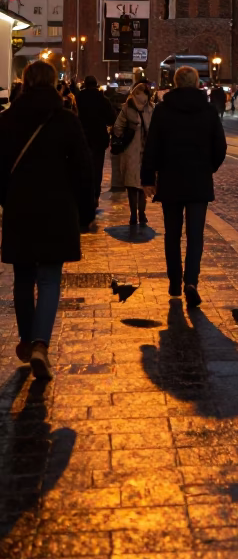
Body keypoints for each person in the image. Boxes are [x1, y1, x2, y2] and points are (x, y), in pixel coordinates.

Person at [0, 60, 94, 379]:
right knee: (50, 279)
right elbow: (84, 170)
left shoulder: (6, 120)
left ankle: (27, 340)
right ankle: (40, 344)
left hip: (19, 209)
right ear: (54, 83)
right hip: (57, 209)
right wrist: (86, 211)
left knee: (23, 279)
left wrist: (6, 200)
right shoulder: (66, 120)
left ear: (24, 83)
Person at [141, 65, 227, 307]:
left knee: (172, 234)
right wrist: (208, 167)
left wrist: (148, 178)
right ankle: (191, 281)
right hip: (198, 180)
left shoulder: (163, 110)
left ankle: (174, 280)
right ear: (197, 83)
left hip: (171, 180)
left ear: (175, 83)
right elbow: (220, 147)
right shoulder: (208, 111)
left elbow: (152, 147)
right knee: (195, 235)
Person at [113, 81, 154, 226]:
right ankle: (142, 214)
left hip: (130, 151)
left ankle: (133, 215)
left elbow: (117, 128)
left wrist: (127, 131)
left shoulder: (127, 108)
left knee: (131, 186)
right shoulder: (151, 108)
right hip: (147, 152)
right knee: (143, 184)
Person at [76, 75, 116, 208]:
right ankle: (95, 195)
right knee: (97, 168)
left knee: (83, 166)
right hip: (99, 138)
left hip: (83, 137)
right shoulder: (103, 100)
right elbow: (111, 119)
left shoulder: (79, 98)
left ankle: (84, 195)